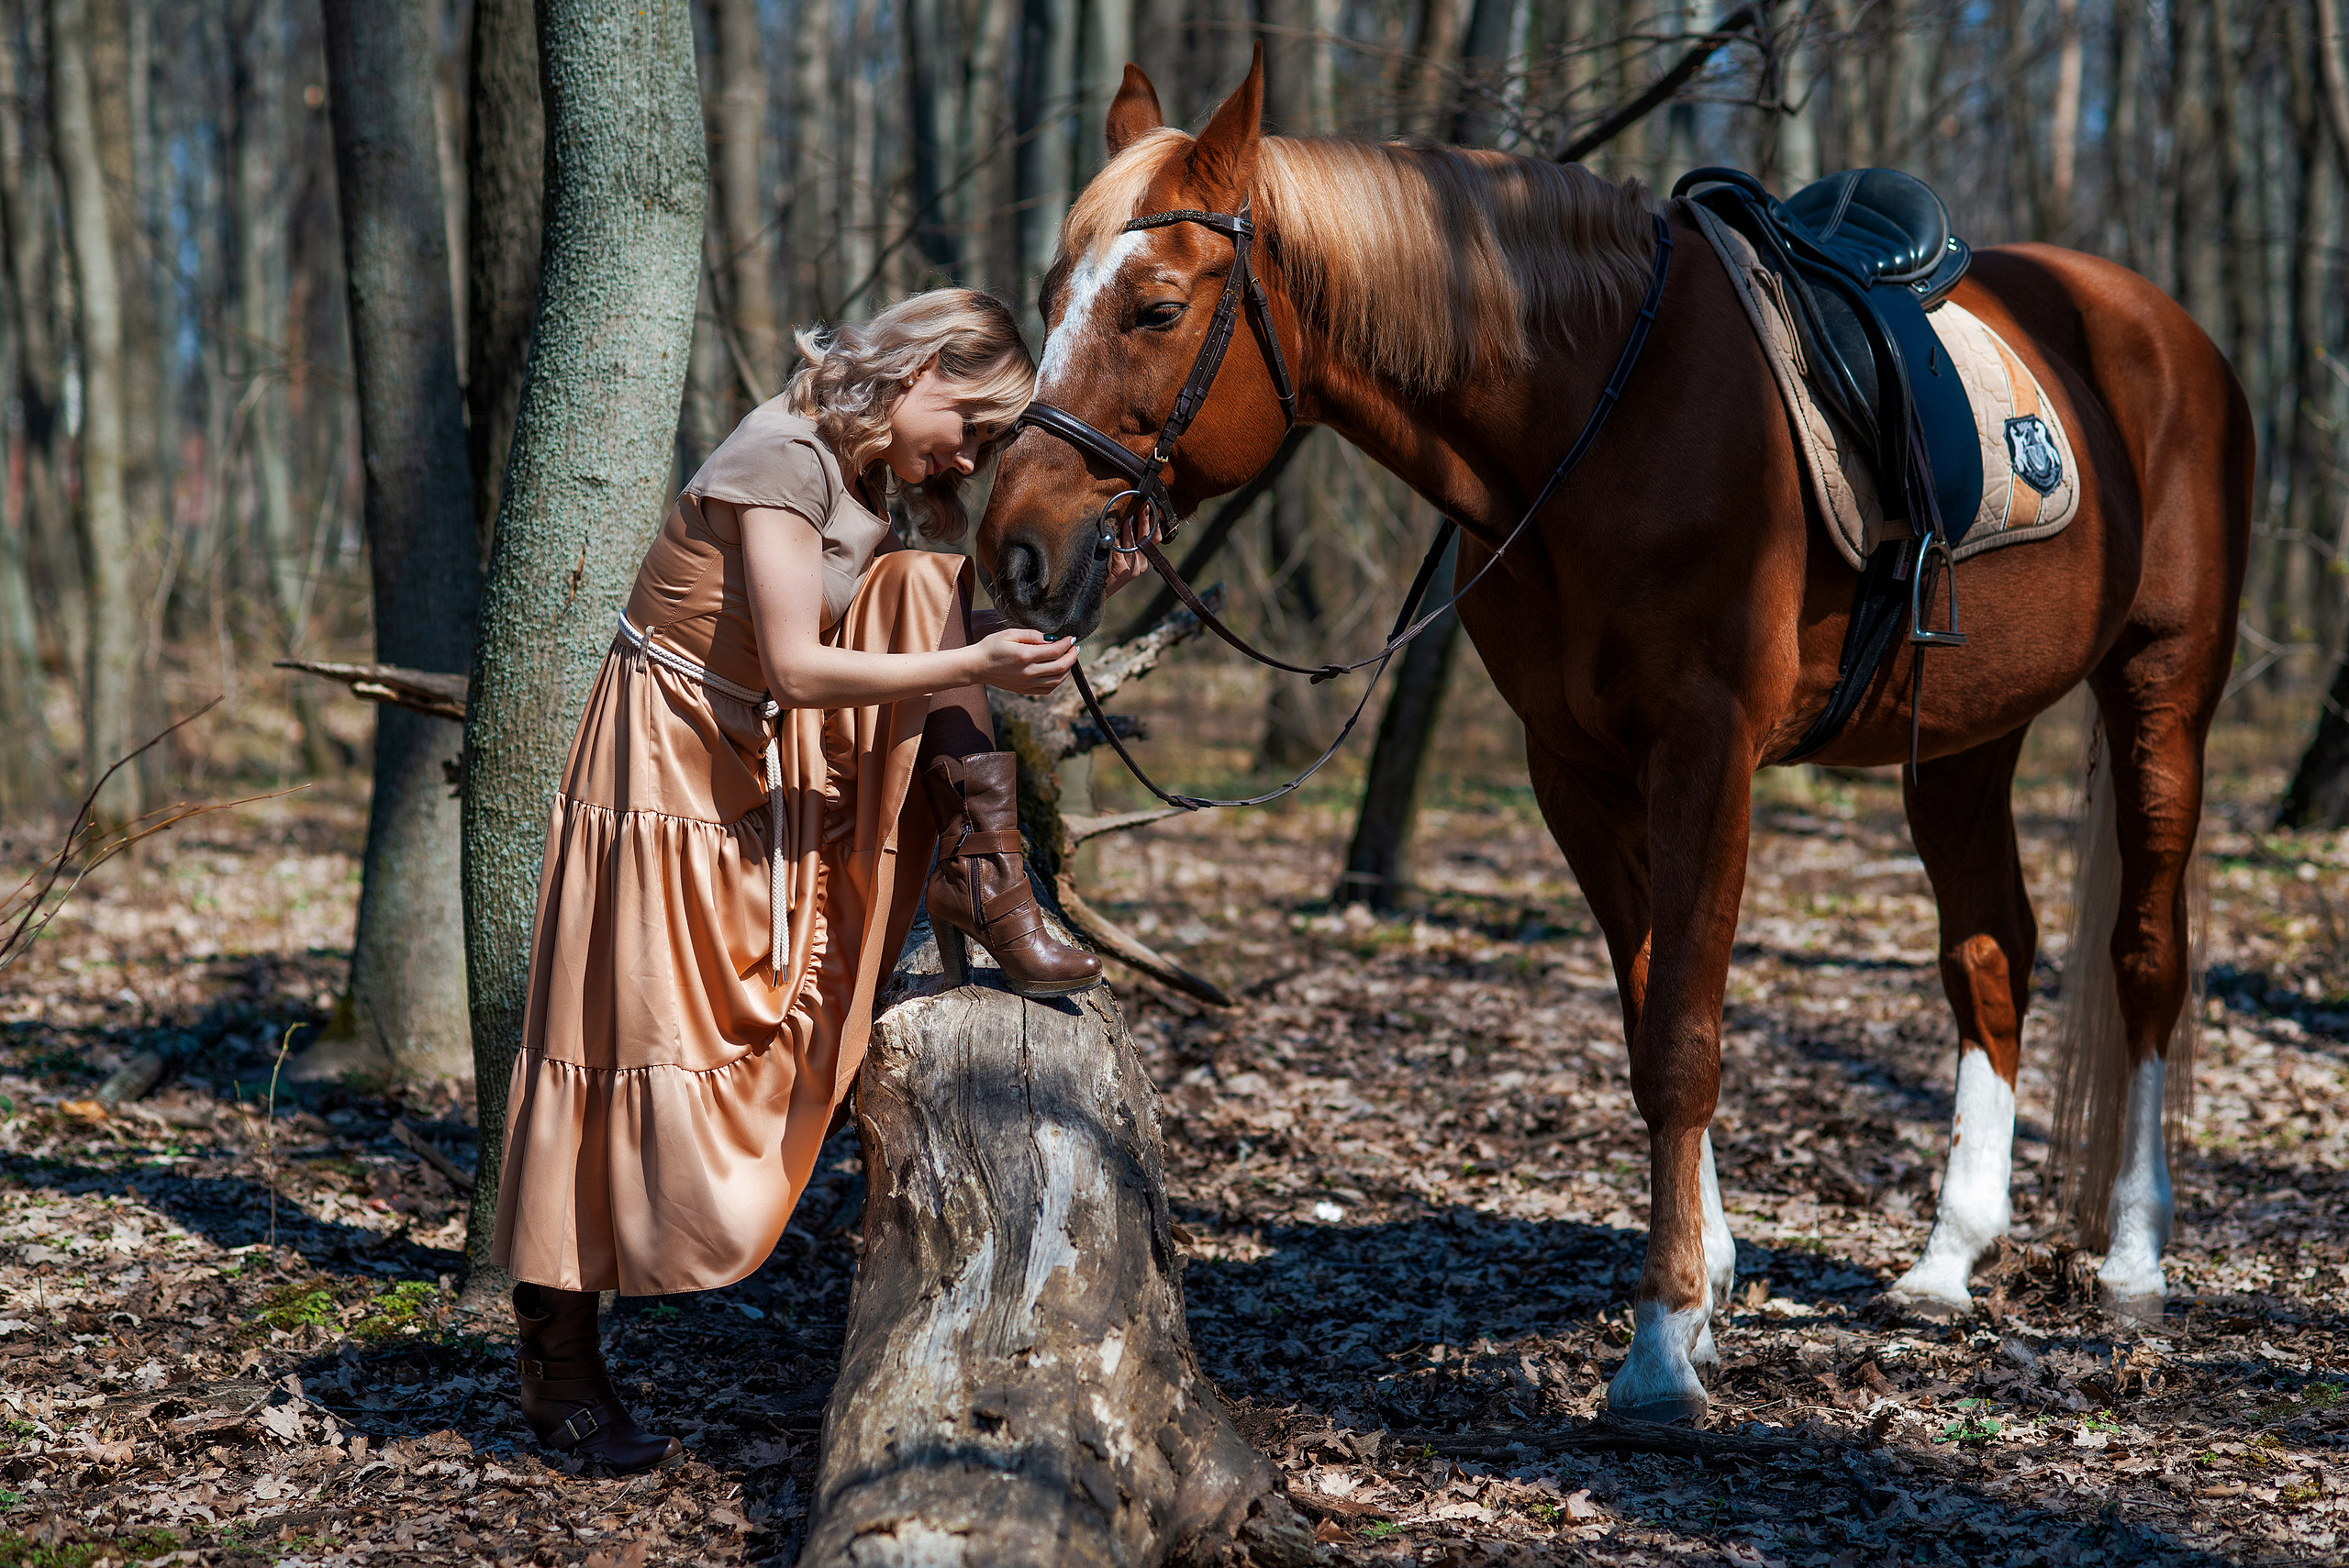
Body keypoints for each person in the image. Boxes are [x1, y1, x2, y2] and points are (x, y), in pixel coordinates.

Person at [489, 289, 1110, 1473]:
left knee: (926, 584)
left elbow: (939, 618)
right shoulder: (780, 455)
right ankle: (557, 1361)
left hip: (751, 749)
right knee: (612, 1041)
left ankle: (986, 871)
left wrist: (1063, 598)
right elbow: (792, 663)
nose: (970, 457)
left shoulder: (864, 470)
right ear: (921, 372)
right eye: (971, 428)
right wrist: (982, 659)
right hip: (666, 766)